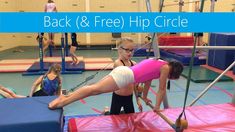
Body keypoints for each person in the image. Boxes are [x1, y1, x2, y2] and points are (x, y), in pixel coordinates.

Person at [49, 50, 183, 112]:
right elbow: (161, 89)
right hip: (125, 76)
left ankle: (64, 97)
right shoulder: (165, 67)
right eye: (172, 77)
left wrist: (146, 97)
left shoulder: (159, 63)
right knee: (93, 89)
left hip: (124, 73)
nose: (169, 78)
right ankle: (64, 101)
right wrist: (158, 107)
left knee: (93, 90)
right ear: (173, 71)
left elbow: (147, 81)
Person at [108, 37, 142, 115]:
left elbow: (135, 85)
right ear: (119, 50)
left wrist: (138, 100)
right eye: (127, 50)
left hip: (129, 97)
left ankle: (122, 112)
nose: (130, 53)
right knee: (113, 118)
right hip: (118, 97)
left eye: (132, 50)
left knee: (131, 118)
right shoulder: (118, 63)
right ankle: (106, 111)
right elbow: (127, 73)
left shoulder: (134, 64)